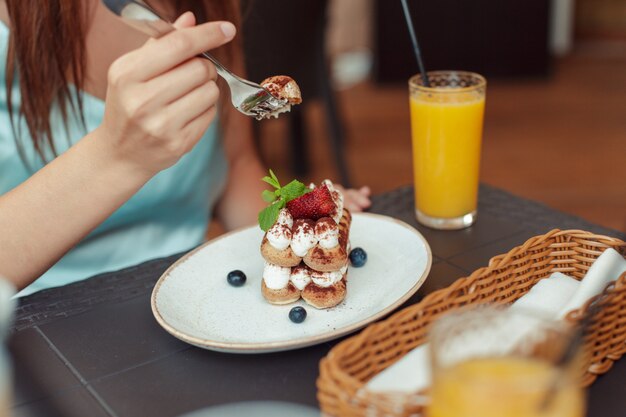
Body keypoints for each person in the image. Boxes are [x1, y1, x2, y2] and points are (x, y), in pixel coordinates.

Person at [0, 0, 371, 296]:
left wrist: (298, 230)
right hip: (32, 336)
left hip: (187, 301)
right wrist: (114, 157)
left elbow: (236, 165)